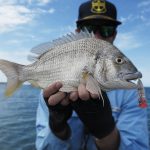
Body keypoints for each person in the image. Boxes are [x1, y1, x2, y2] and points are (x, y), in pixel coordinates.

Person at [36, 0, 149, 150]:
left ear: (114, 34)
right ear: (78, 32)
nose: (97, 36)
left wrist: (105, 130)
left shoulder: (132, 94)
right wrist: (57, 126)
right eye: (88, 28)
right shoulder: (53, 85)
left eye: (106, 29)